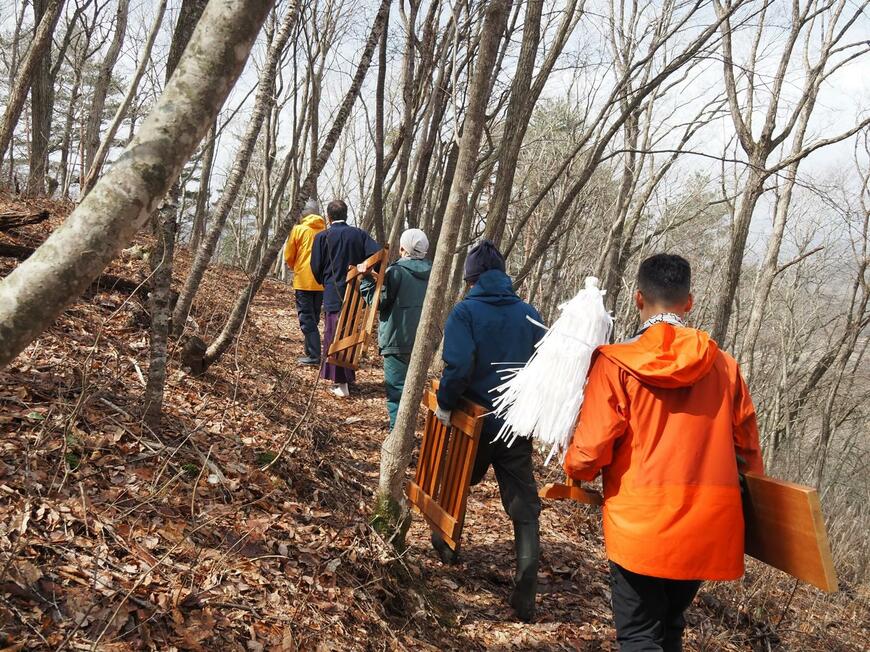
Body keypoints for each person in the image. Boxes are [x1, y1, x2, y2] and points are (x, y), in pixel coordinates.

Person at [563, 254, 764, 652]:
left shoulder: (615, 363)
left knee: (640, 636)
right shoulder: (725, 367)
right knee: (671, 627)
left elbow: (590, 452)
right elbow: (748, 454)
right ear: (688, 303)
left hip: (640, 526)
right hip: (705, 524)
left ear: (639, 300)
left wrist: (574, 467)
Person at [434, 240, 543, 623]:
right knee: (524, 506)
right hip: (517, 424)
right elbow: (545, 372)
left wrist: (446, 405)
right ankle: (525, 589)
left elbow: (459, 367)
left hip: (474, 423)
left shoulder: (465, 312)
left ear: (472, 279)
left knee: (454, 481)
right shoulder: (531, 315)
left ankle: (445, 551)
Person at [310, 199, 381, 398]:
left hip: (333, 291)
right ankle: (346, 378)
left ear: (329, 216)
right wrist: (365, 272)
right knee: (348, 333)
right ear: (346, 214)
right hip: (356, 293)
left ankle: (341, 383)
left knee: (333, 334)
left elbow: (315, 266)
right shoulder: (358, 234)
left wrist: (325, 281)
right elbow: (377, 255)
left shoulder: (322, 237)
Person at [363, 228, 431, 429]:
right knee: (413, 391)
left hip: (396, 340)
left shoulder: (396, 272)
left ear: (403, 248)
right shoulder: (434, 273)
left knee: (397, 392)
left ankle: (397, 436)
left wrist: (365, 281)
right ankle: (407, 433)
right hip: (422, 341)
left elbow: (379, 302)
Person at [284, 198, 326, 365]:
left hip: (303, 281)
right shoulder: (325, 231)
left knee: (306, 318)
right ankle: (309, 352)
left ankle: (315, 356)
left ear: (303, 213)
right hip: (321, 282)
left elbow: (289, 256)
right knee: (313, 317)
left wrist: (296, 267)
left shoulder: (299, 230)